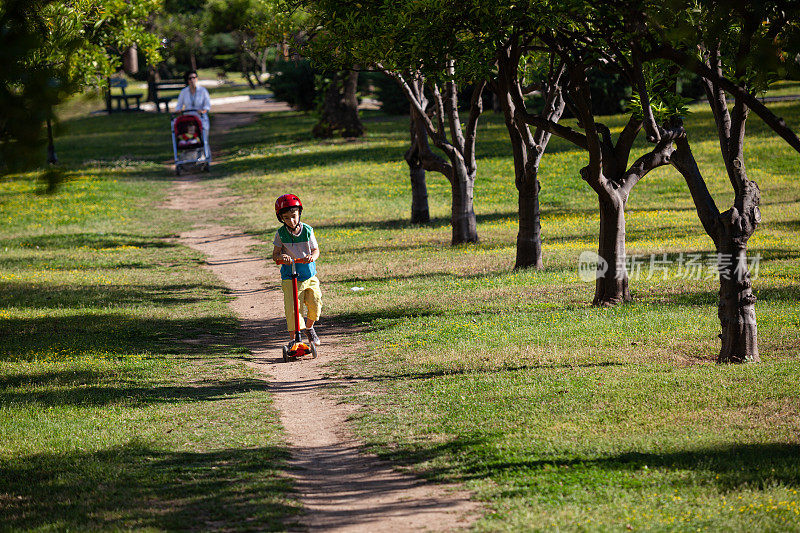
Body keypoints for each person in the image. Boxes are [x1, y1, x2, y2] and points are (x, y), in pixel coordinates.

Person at [272, 194, 322, 346]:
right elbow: (275, 255)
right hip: (290, 276)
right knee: (293, 310)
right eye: (286, 218)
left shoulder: (307, 230)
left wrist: (312, 257)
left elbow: (316, 250)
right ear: (281, 218)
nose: (291, 221)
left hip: (309, 275)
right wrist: (282, 257)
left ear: (299, 213)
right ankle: (295, 340)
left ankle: (309, 327)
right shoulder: (280, 234)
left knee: (315, 303)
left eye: (293, 216)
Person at [176, 70, 211, 160]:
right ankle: (190, 158)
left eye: (194, 78)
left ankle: (206, 157)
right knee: (190, 140)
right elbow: (179, 105)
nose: (192, 80)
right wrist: (179, 111)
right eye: (190, 78)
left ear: (197, 79)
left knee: (204, 139)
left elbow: (207, 105)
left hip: (201, 118)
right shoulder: (184, 92)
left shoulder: (203, 91)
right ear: (187, 80)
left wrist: (203, 111)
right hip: (189, 121)